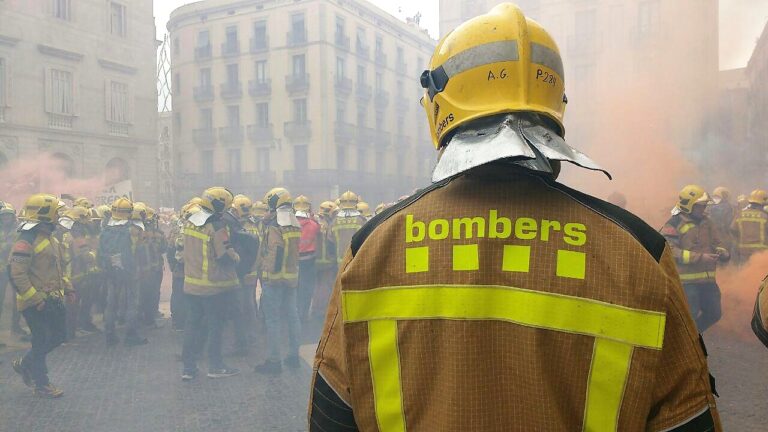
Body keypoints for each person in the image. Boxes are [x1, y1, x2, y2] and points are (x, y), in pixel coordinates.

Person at [308, 4, 721, 430]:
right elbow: (685, 417)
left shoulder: (374, 246)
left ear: (438, 108)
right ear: (556, 105)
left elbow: (333, 412)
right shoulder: (639, 253)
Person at [10, 194, 73, 398]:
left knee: (59, 336)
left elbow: (59, 268)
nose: (58, 217)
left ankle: (26, 363)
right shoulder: (25, 241)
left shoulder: (50, 238)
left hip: (51, 299)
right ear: (45, 215)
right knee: (41, 340)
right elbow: (17, 274)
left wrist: (68, 288)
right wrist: (36, 300)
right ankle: (42, 384)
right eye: (56, 213)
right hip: (33, 303)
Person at [181, 187, 241, 381]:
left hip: (191, 285)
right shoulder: (216, 226)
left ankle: (188, 369)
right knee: (216, 326)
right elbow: (224, 256)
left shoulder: (190, 221)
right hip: (212, 287)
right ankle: (215, 365)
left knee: (192, 326)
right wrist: (237, 257)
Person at [661, 185, 729, 333]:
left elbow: (719, 242)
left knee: (714, 313)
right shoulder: (673, 223)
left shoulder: (707, 222)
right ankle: (684, 342)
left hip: (707, 280)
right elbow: (669, 251)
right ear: (689, 205)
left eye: (704, 206)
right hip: (686, 282)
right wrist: (699, 258)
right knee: (688, 316)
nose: (703, 209)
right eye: (700, 206)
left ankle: (691, 337)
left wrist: (722, 252)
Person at [254, 187, 301, 375]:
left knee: (273, 320)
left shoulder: (275, 224)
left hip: (274, 278)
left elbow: (276, 249)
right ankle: (294, 356)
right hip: (291, 276)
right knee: (292, 315)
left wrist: (268, 270)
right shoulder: (294, 221)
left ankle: (274, 361)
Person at [99, 198, 148, 346]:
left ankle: (110, 335)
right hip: (129, 271)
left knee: (111, 303)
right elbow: (140, 251)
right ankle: (131, 336)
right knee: (132, 303)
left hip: (111, 271)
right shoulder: (134, 229)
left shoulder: (105, 229)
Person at [294, 195, 320, 324]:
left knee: (296, 289)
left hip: (294, 262)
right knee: (307, 289)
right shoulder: (313, 225)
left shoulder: (290, 223)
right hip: (309, 261)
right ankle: (304, 315)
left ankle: (296, 315)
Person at [311, 201, 337, 321]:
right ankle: (322, 314)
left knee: (317, 287)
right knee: (326, 289)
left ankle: (316, 311)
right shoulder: (329, 225)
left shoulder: (316, 222)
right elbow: (331, 243)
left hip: (315, 261)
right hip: (327, 262)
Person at [731, 189, 768, 264]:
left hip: (743, 253)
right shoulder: (765, 216)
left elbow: (732, 229)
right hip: (761, 254)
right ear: (763, 204)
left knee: (744, 273)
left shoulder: (739, 215)